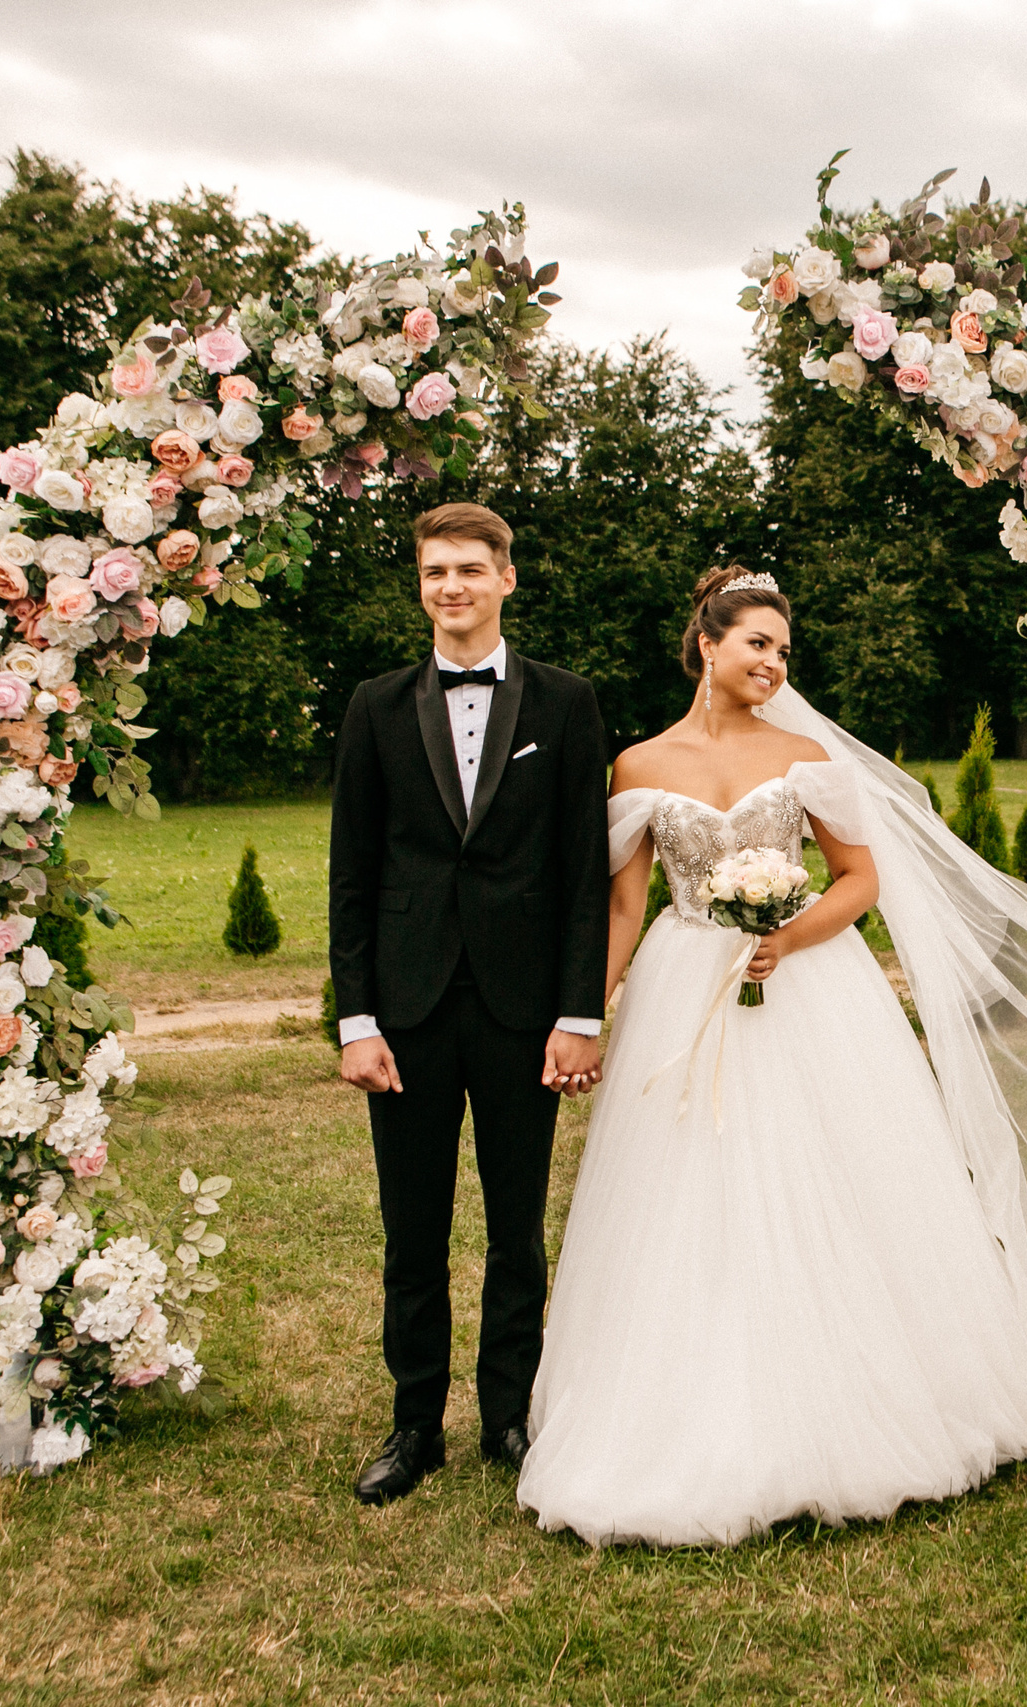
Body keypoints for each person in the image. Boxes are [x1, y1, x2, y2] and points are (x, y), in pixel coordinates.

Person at [516, 567, 1027, 1546]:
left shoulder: (807, 755)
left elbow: (859, 878)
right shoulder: (640, 766)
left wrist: (792, 933)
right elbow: (621, 905)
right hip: (683, 985)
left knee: (838, 1178)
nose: (772, 663)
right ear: (706, 645)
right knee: (681, 1190)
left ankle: (863, 1397)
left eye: (783, 649)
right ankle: (687, 1407)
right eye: (756, 644)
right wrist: (587, 1012)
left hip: (807, 985)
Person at [327, 502, 610, 1507]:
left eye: (468, 570)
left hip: (520, 1009)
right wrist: (354, 1020)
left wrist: (581, 1011)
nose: (450, 586)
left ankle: (508, 1417)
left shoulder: (566, 704)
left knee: (515, 1229)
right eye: (434, 571)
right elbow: (351, 871)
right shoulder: (373, 704)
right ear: (421, 583)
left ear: (506, 579)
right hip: (403, 1014)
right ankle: (414, 1426)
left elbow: (584, 871)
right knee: (412, 1233)